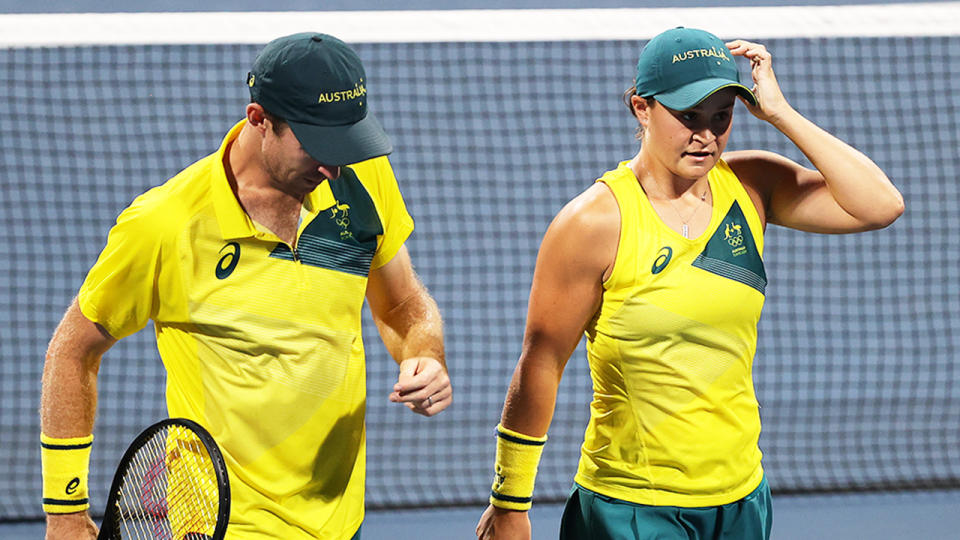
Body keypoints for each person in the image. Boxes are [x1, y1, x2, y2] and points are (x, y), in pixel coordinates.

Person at [476, 27, 903, 540]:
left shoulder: (751, 186)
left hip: (741, 499)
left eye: (721, 117)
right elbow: (540, 361)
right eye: (688, 117)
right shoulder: (594, 223)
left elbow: (881, 206)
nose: (706, 136)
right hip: (631, 507)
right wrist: (509, 502)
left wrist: (781, 114)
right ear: (641, 108)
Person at [40, 32, 451, 540]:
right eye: (318, 146)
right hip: (224, 524)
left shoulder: (359, 176)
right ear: (260, 120)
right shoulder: (165, 225)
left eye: (347, 143)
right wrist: (64, 516)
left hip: (341, 521)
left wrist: (426, 354)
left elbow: (404, 301)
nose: (334, 167)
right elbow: (72, 350)